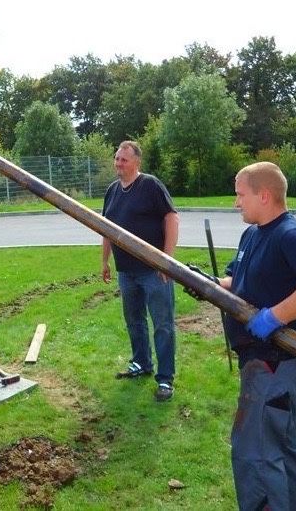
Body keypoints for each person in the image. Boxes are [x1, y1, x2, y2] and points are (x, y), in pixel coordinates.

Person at [218, 162, 296, 511]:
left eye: (241, 195)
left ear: (265, 195)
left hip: (280, 365)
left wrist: (276, 315)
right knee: (283, 448)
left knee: (256, 452)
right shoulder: (253, 234)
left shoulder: (289, 234)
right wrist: (215, 286)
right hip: (261, 362)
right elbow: (237, 280)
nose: (236, 203)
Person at [101, 140, 179, 402]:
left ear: (136, 162)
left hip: (153, 270)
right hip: (127, 271)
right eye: (116, 158)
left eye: (124, 159)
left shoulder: (150, 186)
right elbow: (106, 229)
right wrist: (105, 261)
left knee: (163, 325)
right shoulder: (112, 191)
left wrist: (166, 260)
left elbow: (171, 218)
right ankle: (141, 363)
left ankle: (165, 379)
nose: (118, 163)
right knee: (134, 321)